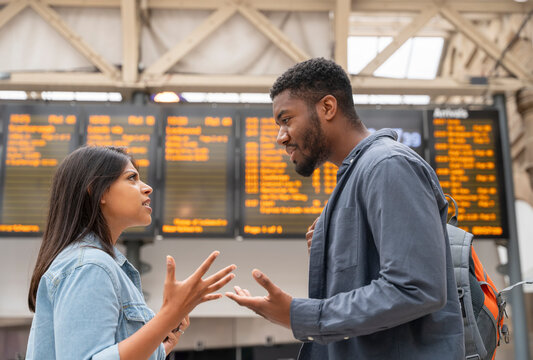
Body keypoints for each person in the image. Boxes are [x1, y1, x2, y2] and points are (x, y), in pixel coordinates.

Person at [226, 58, 465, 359]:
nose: (280, 137)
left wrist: (297, 315)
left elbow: (415, 288)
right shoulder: (354, 179)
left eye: (286, 119)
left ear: (327, 107)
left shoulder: (388, 166)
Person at [26, 146, 236, 359]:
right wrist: (167, 316)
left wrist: (157, 348)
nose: (147, 188)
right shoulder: (90, 266)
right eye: (132, 178)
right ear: (95, 190)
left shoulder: (94, 264)